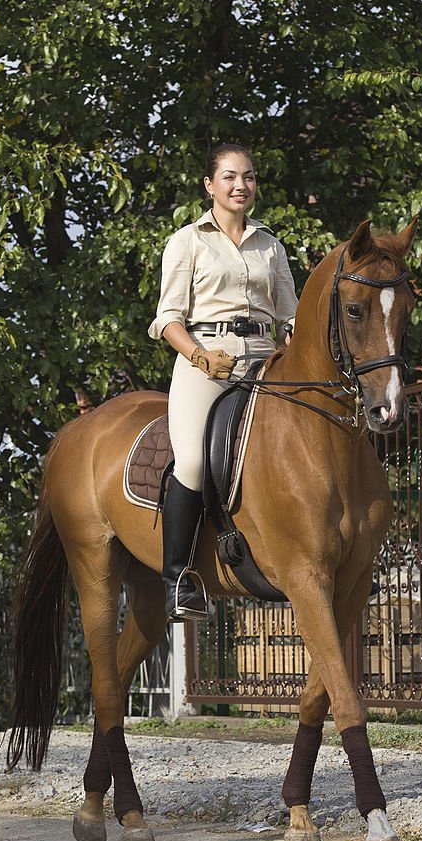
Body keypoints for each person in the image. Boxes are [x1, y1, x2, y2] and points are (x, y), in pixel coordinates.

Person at [148, 145, 298, 621]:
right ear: (209, 185)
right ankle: (178, 582)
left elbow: (290, 316)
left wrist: (292, 352)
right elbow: (167, 319)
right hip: (205, 362)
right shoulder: (187, 241)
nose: (241, 186)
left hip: (265, 361)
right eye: (230, 177)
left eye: (249, 177)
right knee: (191, 460)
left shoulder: (270, 245)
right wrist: (197, 355)